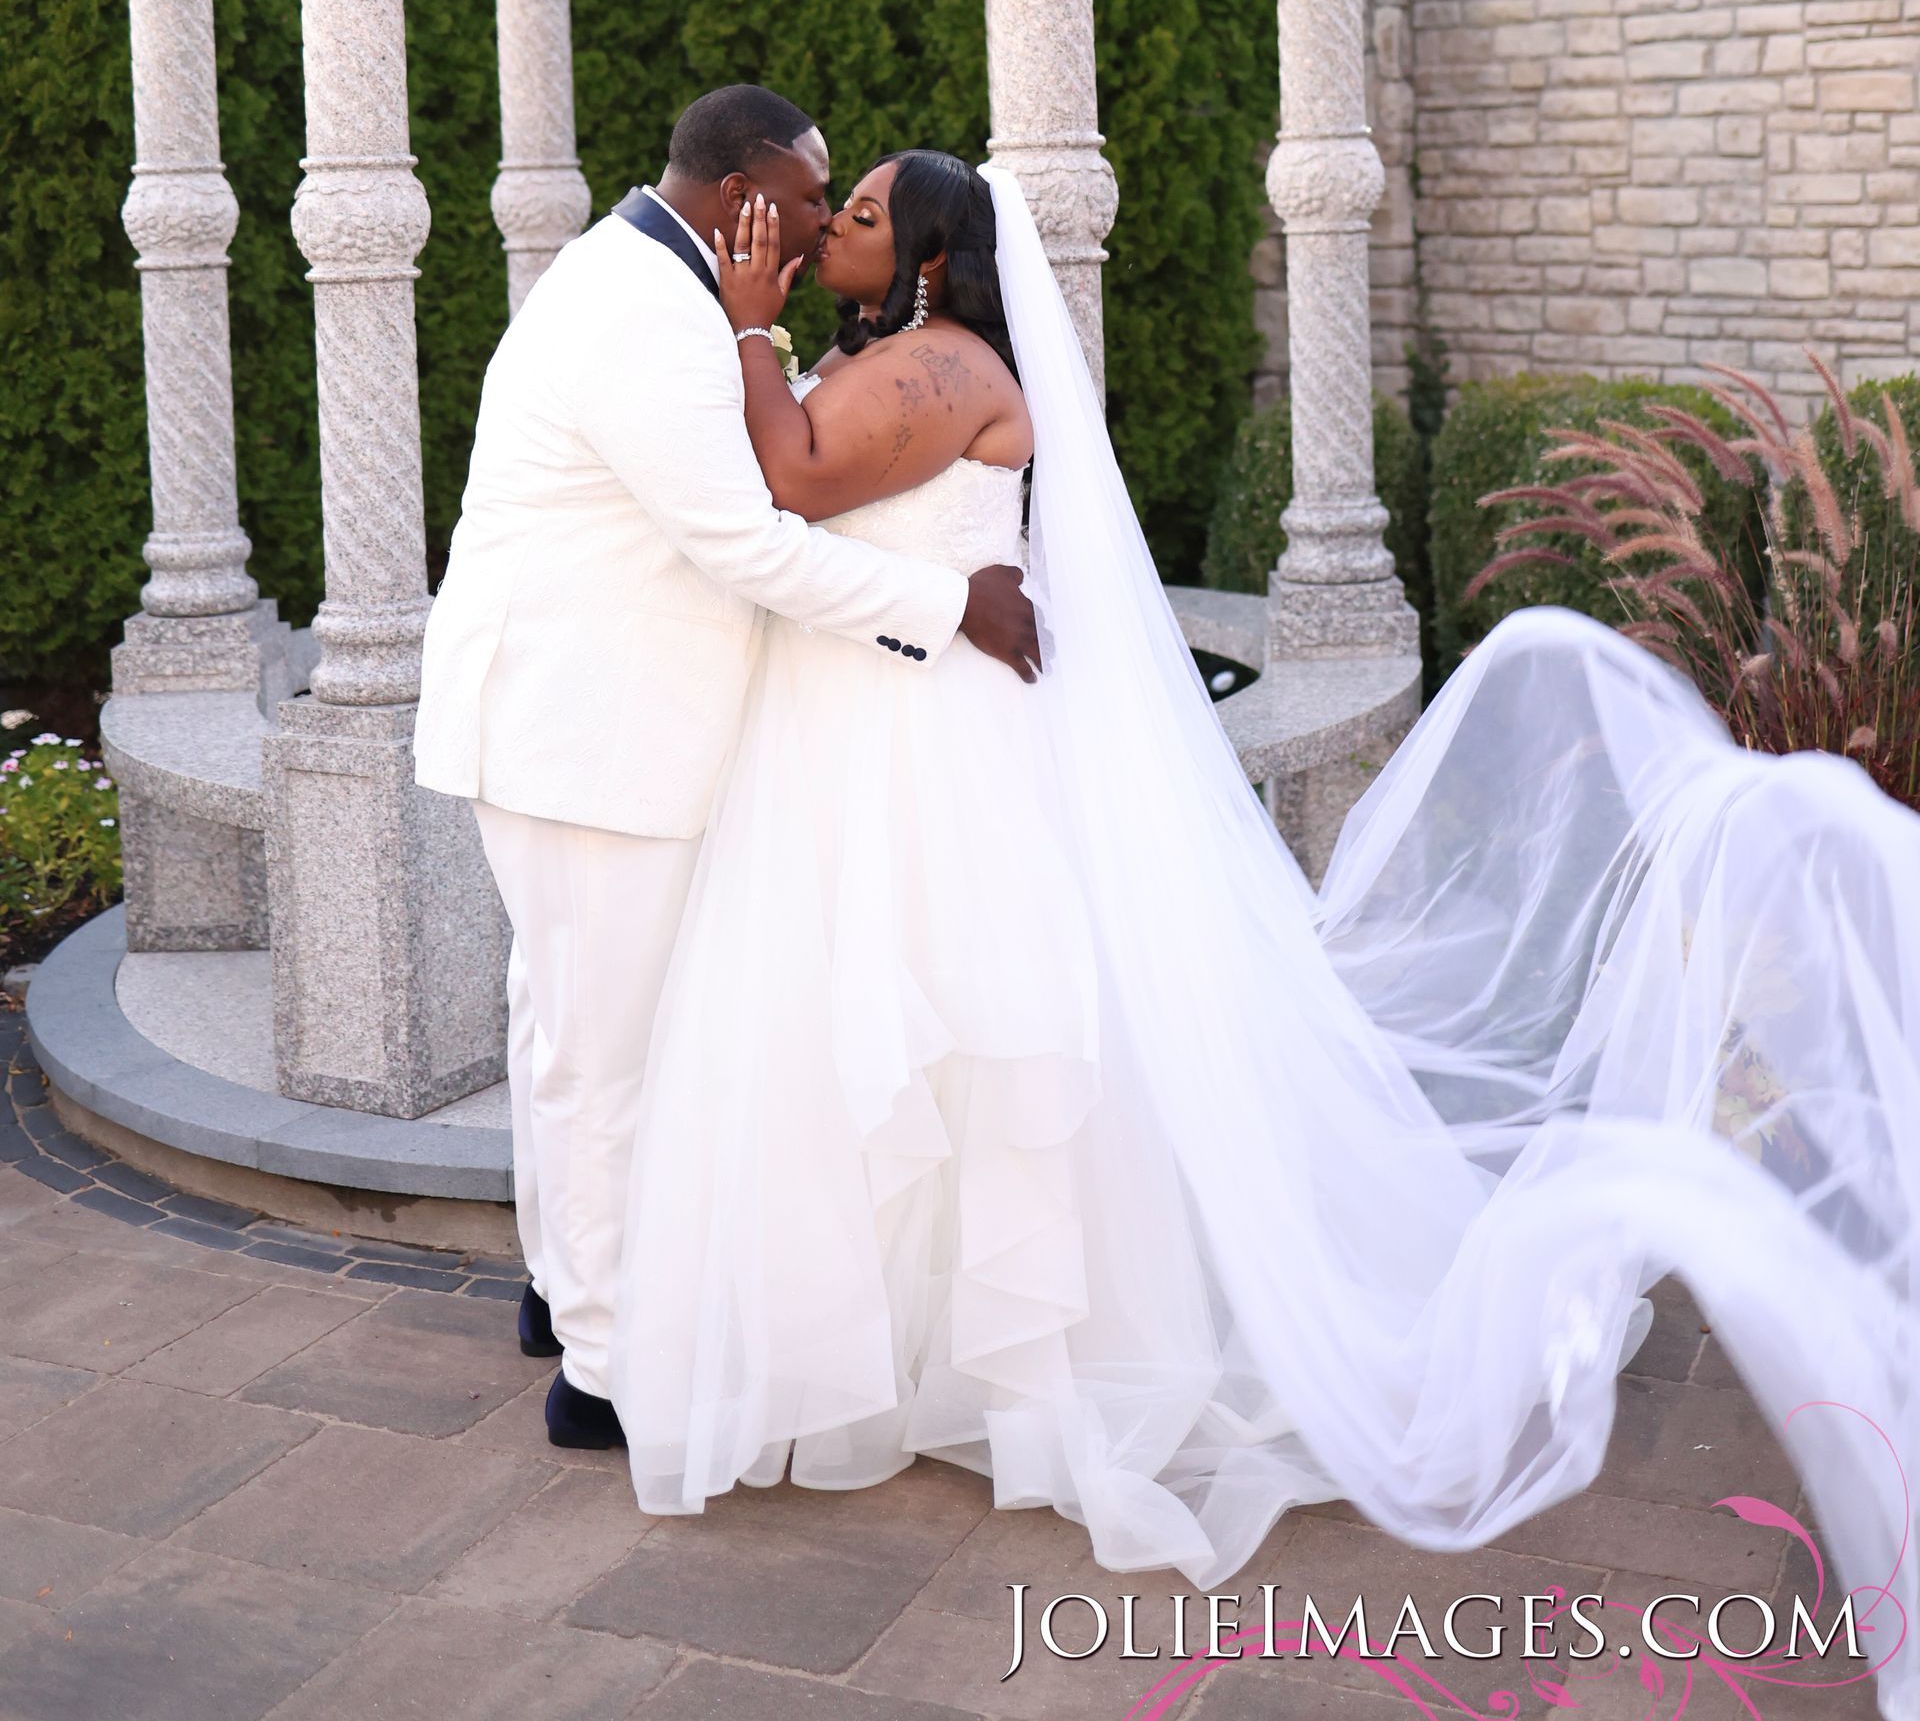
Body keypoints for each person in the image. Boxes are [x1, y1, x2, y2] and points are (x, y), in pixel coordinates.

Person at [606, 150, 1919, 1712]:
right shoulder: (887, 354)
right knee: (900, 1047)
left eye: (868, 213)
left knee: (979, 1035)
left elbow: (800, 482)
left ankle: (1035, 1378)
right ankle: (909, 1356)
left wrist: (746, 324)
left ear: (937, 261)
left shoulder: (940, 365)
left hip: (929, 755)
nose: (832, 231)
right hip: (865, 738)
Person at [412, 89, 1038, 1448]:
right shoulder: (647, 309)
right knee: (602, 1054)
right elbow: (745, 544)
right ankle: (604, 1368)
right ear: (748, 184)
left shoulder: (651, 278)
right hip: (588, 732)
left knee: (566, 1026)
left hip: (576, 720)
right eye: (816, 196)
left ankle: (560, 1285)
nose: (818, 226)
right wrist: (952, 609)